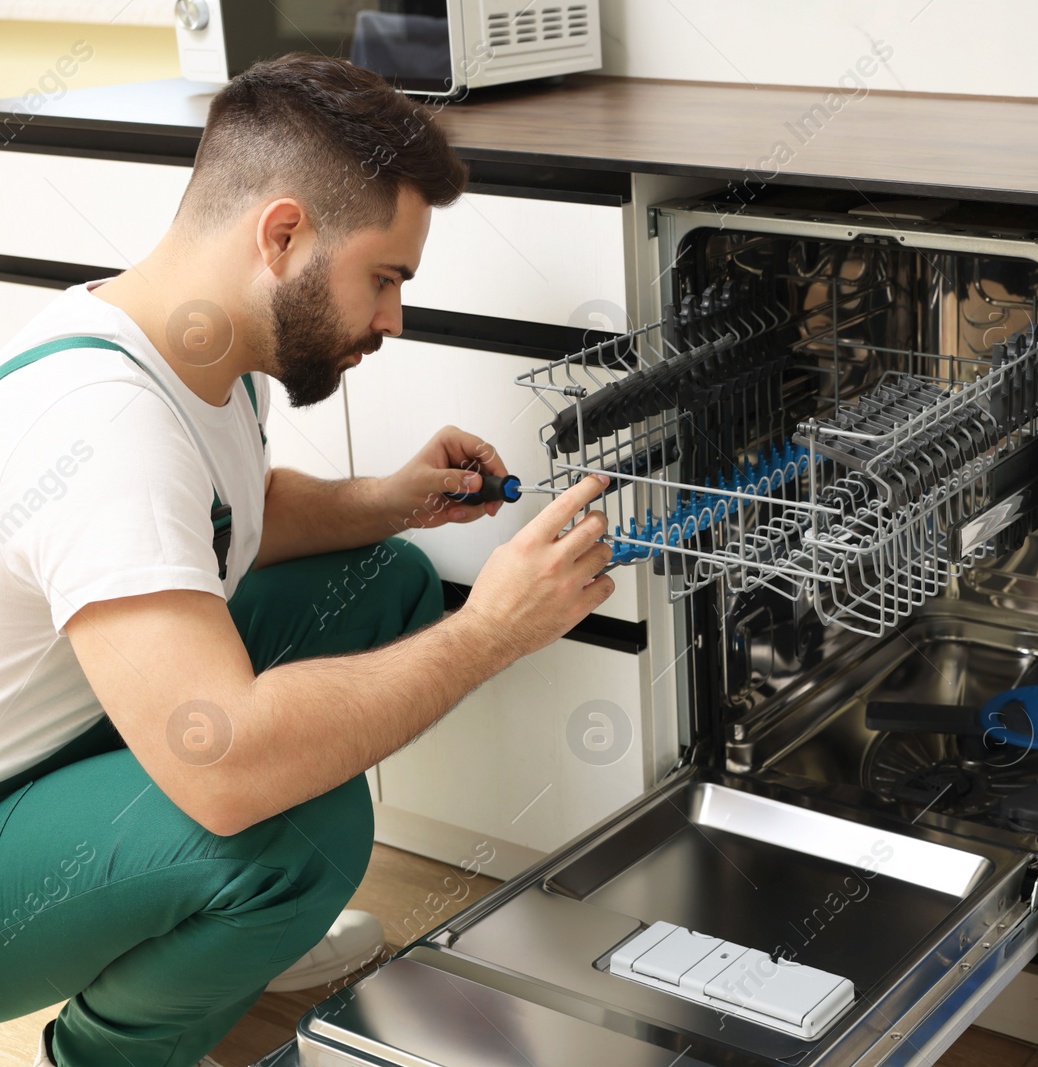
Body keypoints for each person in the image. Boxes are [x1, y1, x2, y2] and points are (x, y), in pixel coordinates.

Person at [0, 52, 613, 1067]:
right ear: (282, 234)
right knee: (293, 827)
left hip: (53, 739)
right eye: (384, 278)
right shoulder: (108, 423)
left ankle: (220, 946)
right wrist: (493, 631)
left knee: (386, 579)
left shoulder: (189, 343)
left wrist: (388, 501)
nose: (393, 320)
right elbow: (227, 765)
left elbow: (224, 515)